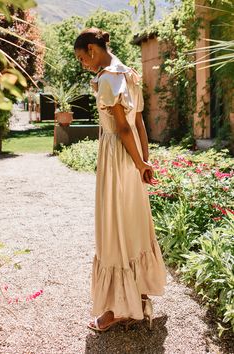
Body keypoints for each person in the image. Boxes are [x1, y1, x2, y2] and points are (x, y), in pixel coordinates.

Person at [74, 27, 167, 332]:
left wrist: (138, 160)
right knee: (133, 224)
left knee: (113, 228)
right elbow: (139, 121)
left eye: (81, 58)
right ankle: (137, 297)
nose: (83, 64)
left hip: (117, 155)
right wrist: (144, 160)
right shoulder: (128, 74)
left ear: (91, 49)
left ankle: (116, 309)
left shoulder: (107, 79)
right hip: (133, 156)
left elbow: (122, 128)